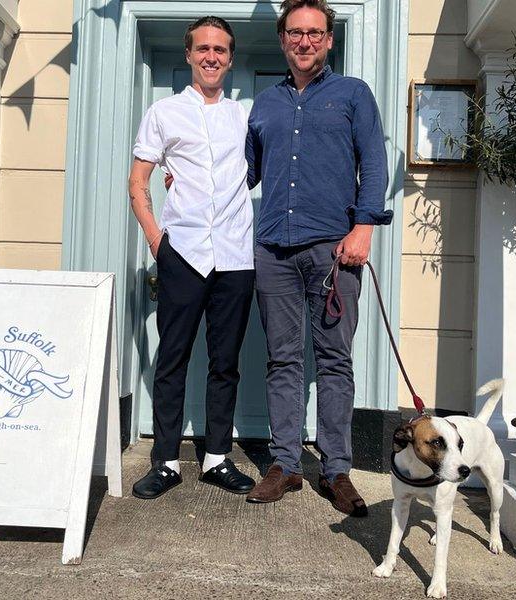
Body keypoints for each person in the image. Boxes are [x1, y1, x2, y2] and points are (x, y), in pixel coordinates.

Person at [244, 0, 392, 516]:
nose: (304, 42)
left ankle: (336, 470)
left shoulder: (352, 94)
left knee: (333, 360)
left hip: (335, 249)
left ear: (329, 40)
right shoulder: (264, 103)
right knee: (282, 357)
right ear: (282, 39)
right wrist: (190, 180)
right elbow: (245, 173)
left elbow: (375, 161)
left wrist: (364, 228)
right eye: (294, 33)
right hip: (274, 250)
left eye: (314, 33)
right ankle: (285, 464)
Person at [128, 16, 256, 499]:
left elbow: (251, 175)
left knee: (225, 361)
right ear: (188, 55)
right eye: (202, 48)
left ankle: (218, 458)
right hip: (181, 252)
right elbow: (137, 182)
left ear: (230, 57)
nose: (211, 56)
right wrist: (156, 241)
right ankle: (164, 461)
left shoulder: (245, 117)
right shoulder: (164, 113)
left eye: (220, 49)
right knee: (173, 357)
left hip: (235, 255)